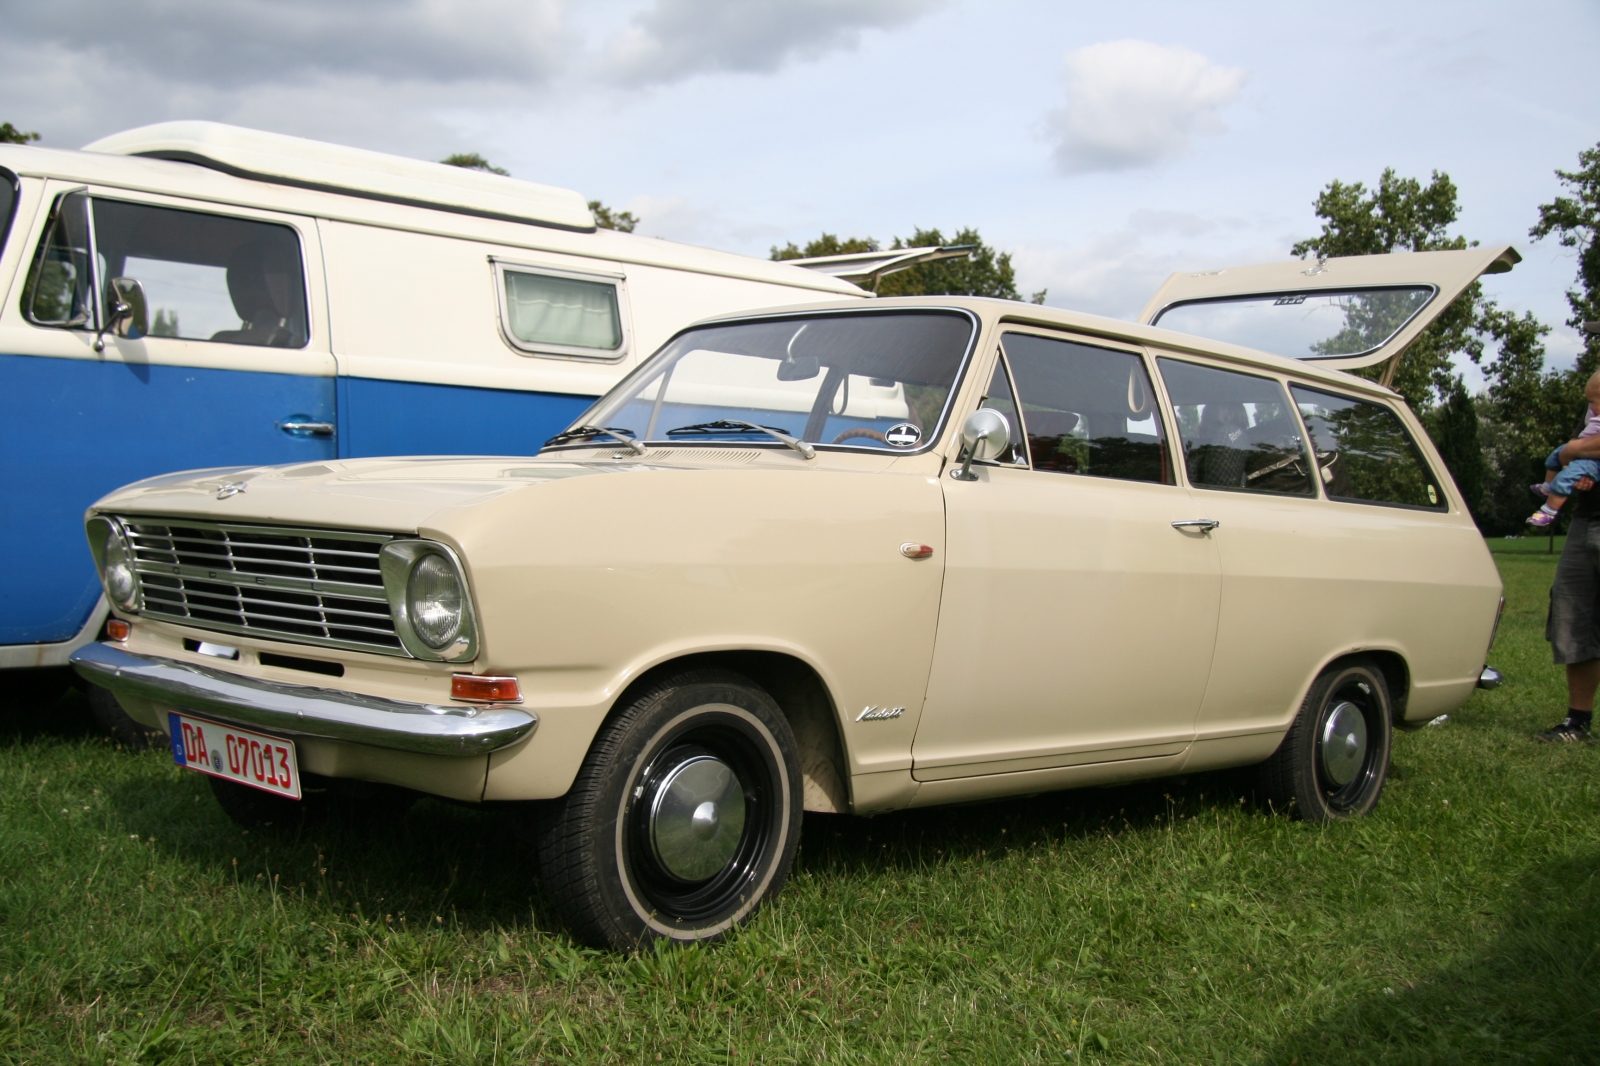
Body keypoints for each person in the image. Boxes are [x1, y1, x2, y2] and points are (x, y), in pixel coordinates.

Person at [1540, 405, 1600, 741]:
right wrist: (1573, 452)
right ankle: (1578, 722)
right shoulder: (1596, 396)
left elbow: (1571, 449)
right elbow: (1573, 449)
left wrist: (1571, 450)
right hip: (1586, 519)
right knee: (1574, 614)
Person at [1528, 371, 1600, 527]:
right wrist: (1571, 460)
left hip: (1593, 464)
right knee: (1554, 457)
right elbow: (1572, 445)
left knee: (1564, 479)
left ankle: (1548, 511)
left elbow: (1574, 447)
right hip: (1584, 514)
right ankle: (1547, 487)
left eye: (1594, 401)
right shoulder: (1593, 411)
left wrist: (1574, 451)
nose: (1591, 406)